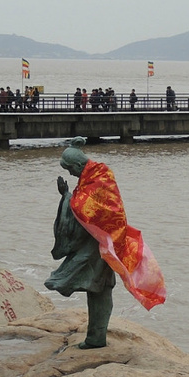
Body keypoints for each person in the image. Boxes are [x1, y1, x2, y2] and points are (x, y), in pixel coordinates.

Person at [45, 138, 166, 348]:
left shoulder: (98, 181)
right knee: (97, 290)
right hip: (103, 243)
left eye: (71, 170)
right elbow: (86, 206)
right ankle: (95, 336)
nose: (71, 175)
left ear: (78, 166)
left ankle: (96, 338)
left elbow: (86, 210)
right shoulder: (97, 176)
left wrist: (66, 197)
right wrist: (68, 196)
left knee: (99, 290)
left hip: (102, 247)